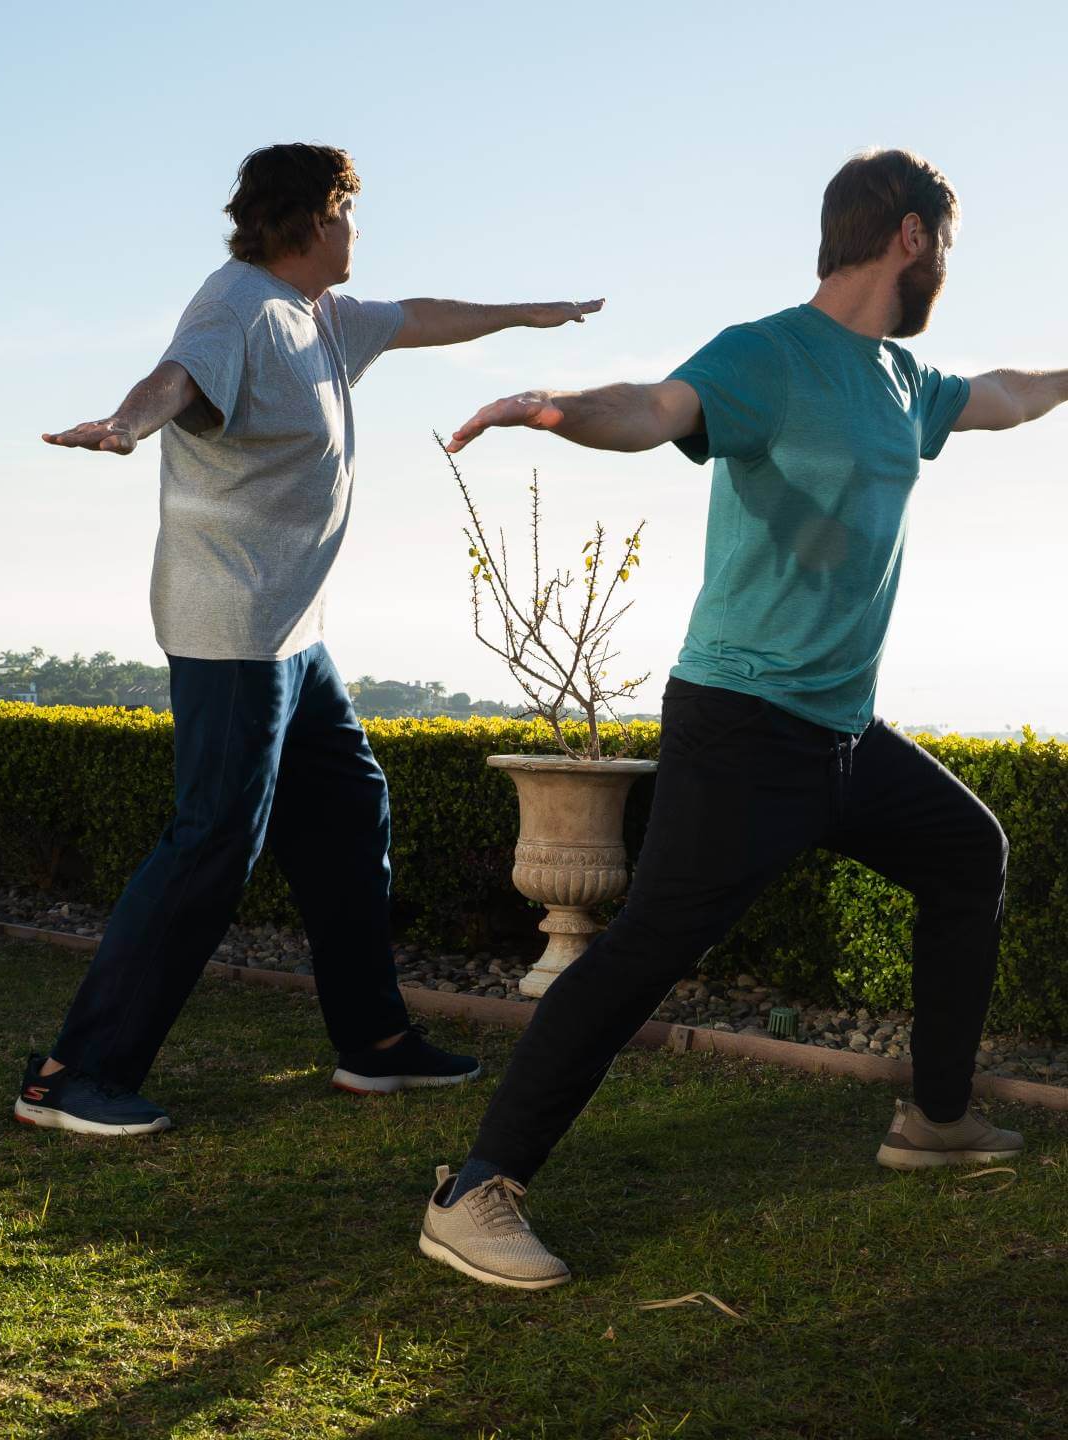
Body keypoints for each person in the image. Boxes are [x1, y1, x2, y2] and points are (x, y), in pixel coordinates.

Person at [418, 147, 1068, 1290]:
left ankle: (937, 1115)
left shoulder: (901, 381)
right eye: (945, 245)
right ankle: (474, 1192)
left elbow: (1006, 394)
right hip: (741, 725)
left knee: (969, 848)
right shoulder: (765, 353)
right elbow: (656, 406)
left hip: (844, 737)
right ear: (909, 235)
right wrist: (563, 410)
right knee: (640, 956)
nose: (946, 267)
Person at [16, 142, 603, 1137]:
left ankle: (374, 1043)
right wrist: (124, 424)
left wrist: (521, 313)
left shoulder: (319, 314)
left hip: (296, 633)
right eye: (348, 212)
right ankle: (74, 1074)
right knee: (213, 843)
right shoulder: (238, 308)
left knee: (346, 808)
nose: (357, 230)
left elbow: (417, 316)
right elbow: (178, 380)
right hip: (232, 629)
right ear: (310, 219)